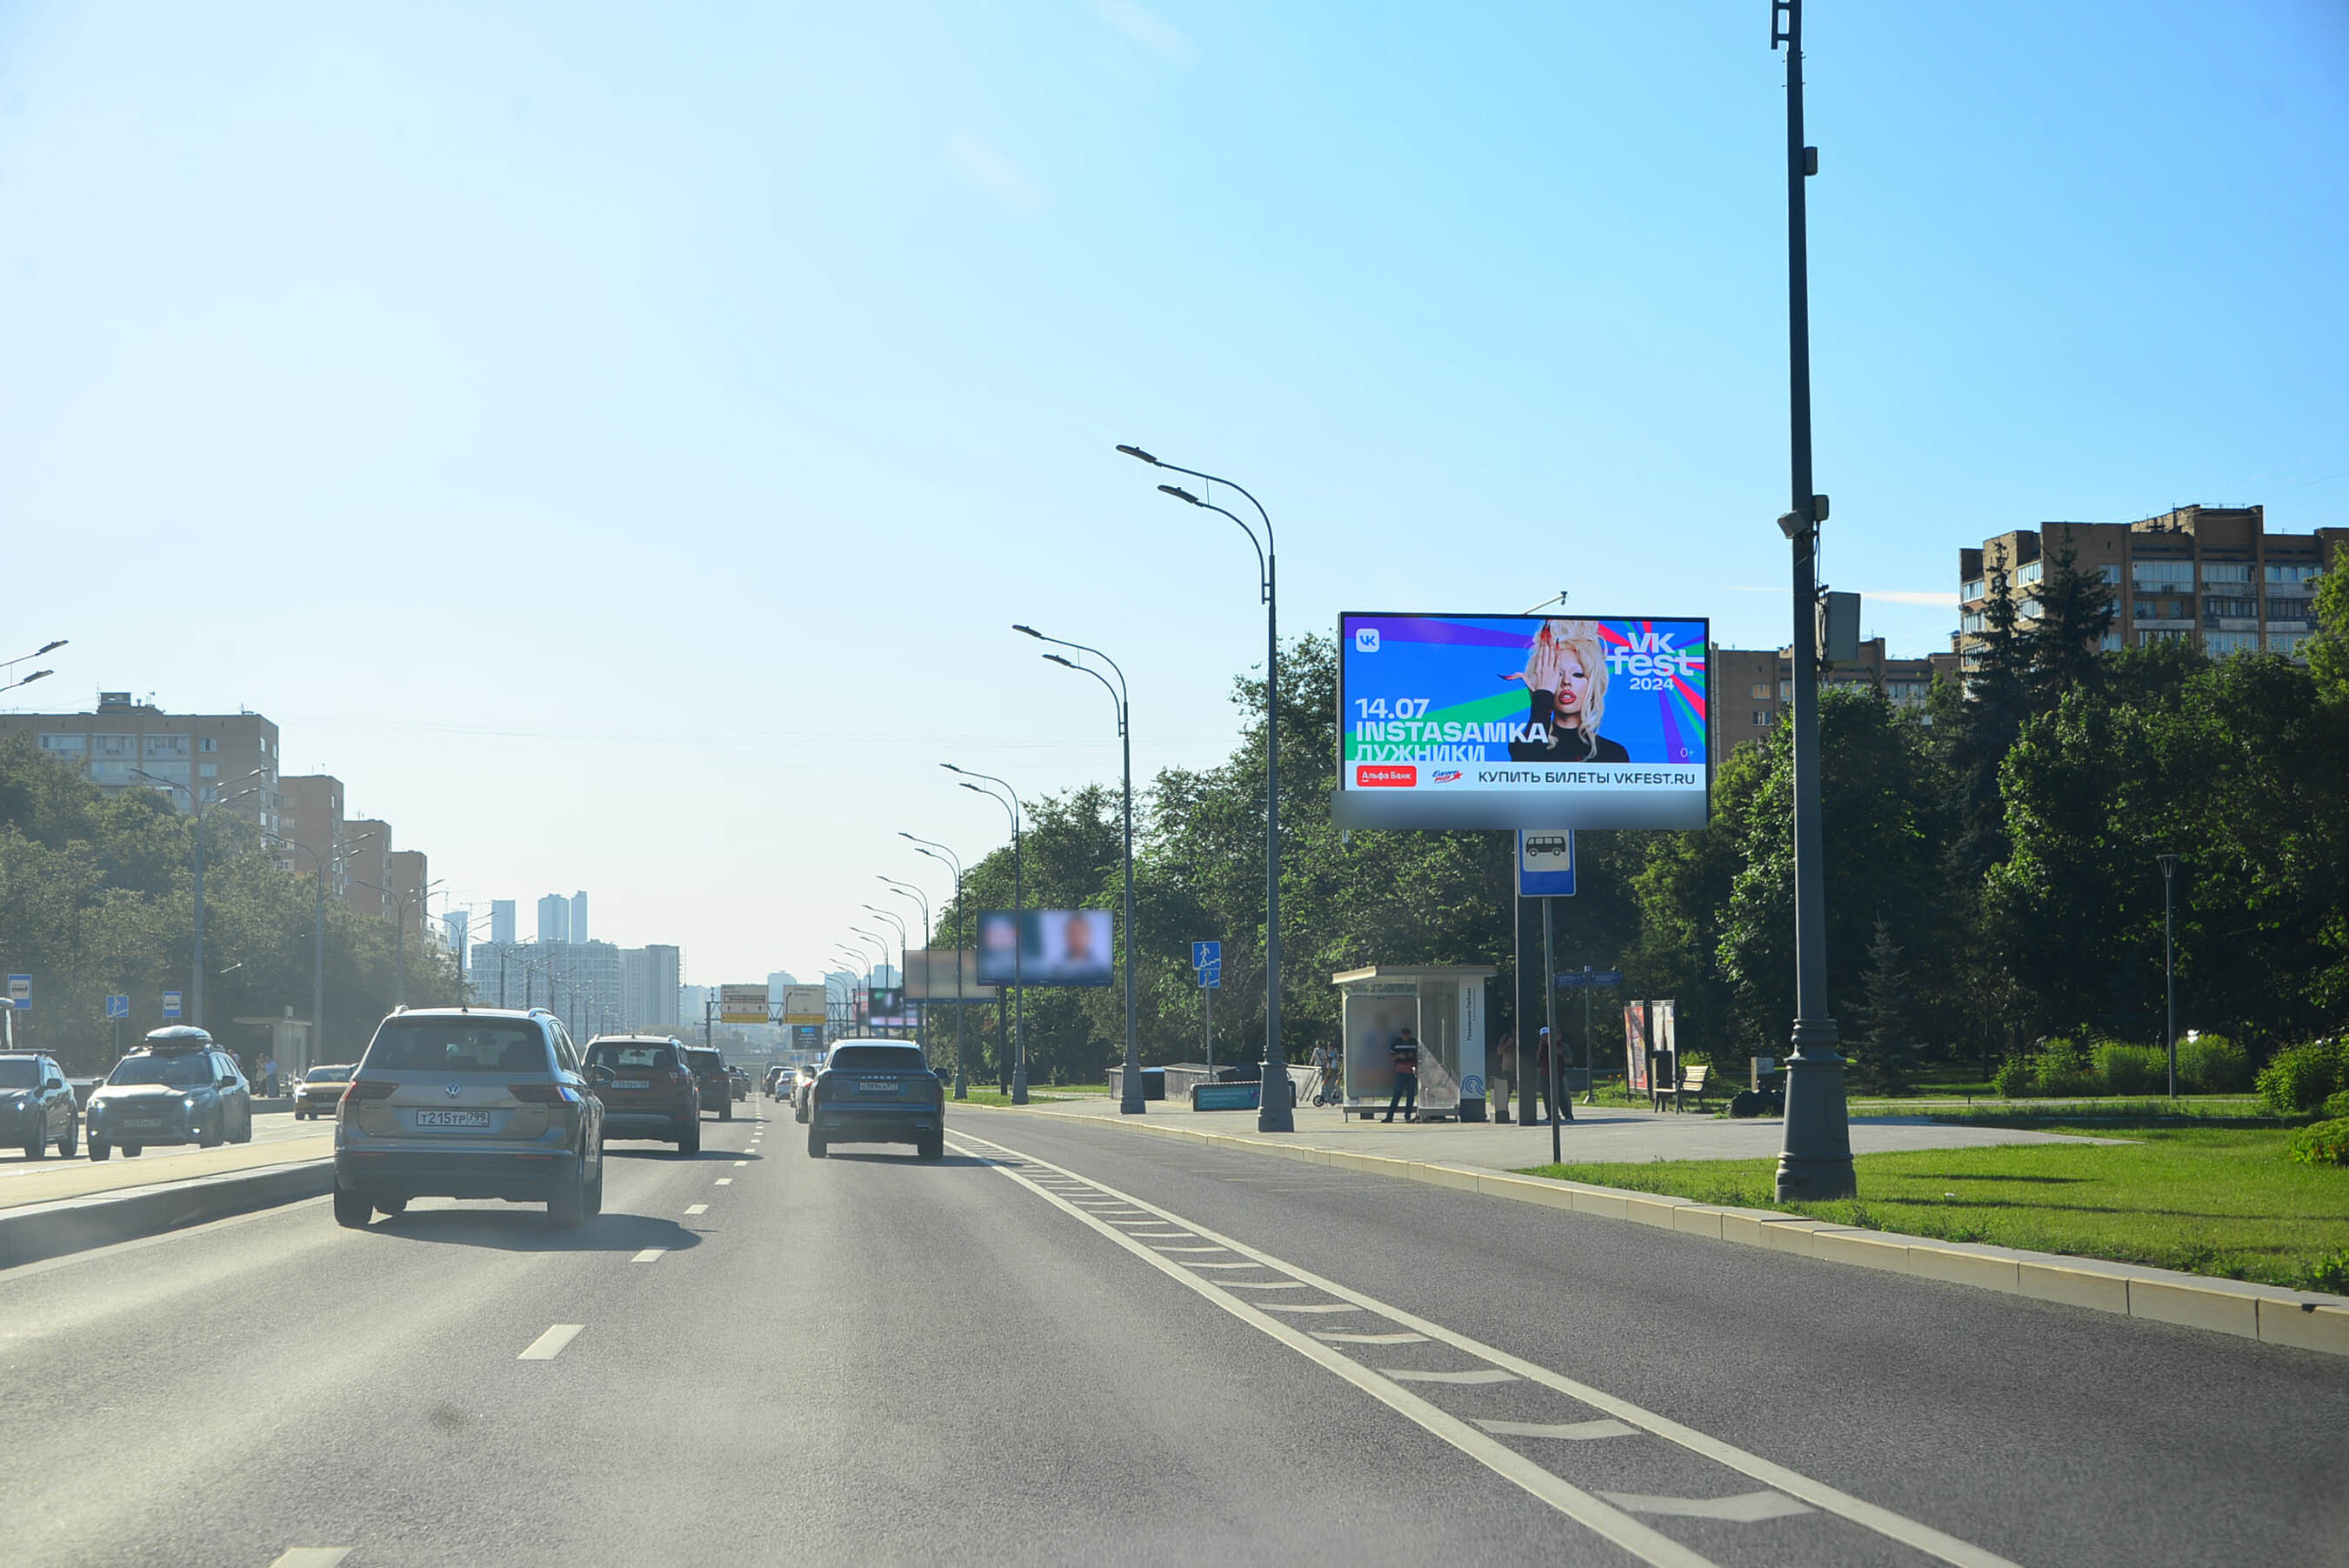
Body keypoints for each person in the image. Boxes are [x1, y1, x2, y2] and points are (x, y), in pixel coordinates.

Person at [1505, 619, 1631, 764]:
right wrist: (1541, 699)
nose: (1566, 682)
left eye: (1578, 674)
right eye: (1557, 674)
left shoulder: (1613, 754)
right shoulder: (1525, 744)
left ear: (1593, 683)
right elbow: (1525, 771)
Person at [1382, 1027, 1420, 1124]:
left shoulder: (1414, 1042)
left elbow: (1420, 1056)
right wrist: (1399, 1056)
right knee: (1397, 1094)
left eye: (1407, 1035)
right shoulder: (1396, 1042)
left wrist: (1413, 1056)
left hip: (1412, 1070)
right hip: (1400, 1070)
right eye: (1404, 1036)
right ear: (1401, 1035)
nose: (1406, 1037)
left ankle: (1408, 1116)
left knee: (1411, 1095)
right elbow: (1391, 1056)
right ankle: (1390, 1116)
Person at [1491, 1028, 1517, 1124]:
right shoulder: (1505, 1038)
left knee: (1523, 1093)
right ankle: (1503, 1113)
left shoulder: (1524, 1038)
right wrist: (1508, 1043)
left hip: (1520, 1071)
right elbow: (1499, 1052)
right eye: (1514, 1029)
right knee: (1506, 1093)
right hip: (1508, 1071)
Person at [1310, 1041, 1341, 1106]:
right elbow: (1325, 1058)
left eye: (1329, 1046)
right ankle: (1329, 1095)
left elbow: (1335, 1058)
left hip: (1329, 1067)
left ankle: (1333, 1095)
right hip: (1326, 1067)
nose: (1328, 1047)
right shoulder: (1325, 1051)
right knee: (1326, 1080)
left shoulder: (1332, 1051)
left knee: (1330, 1081)